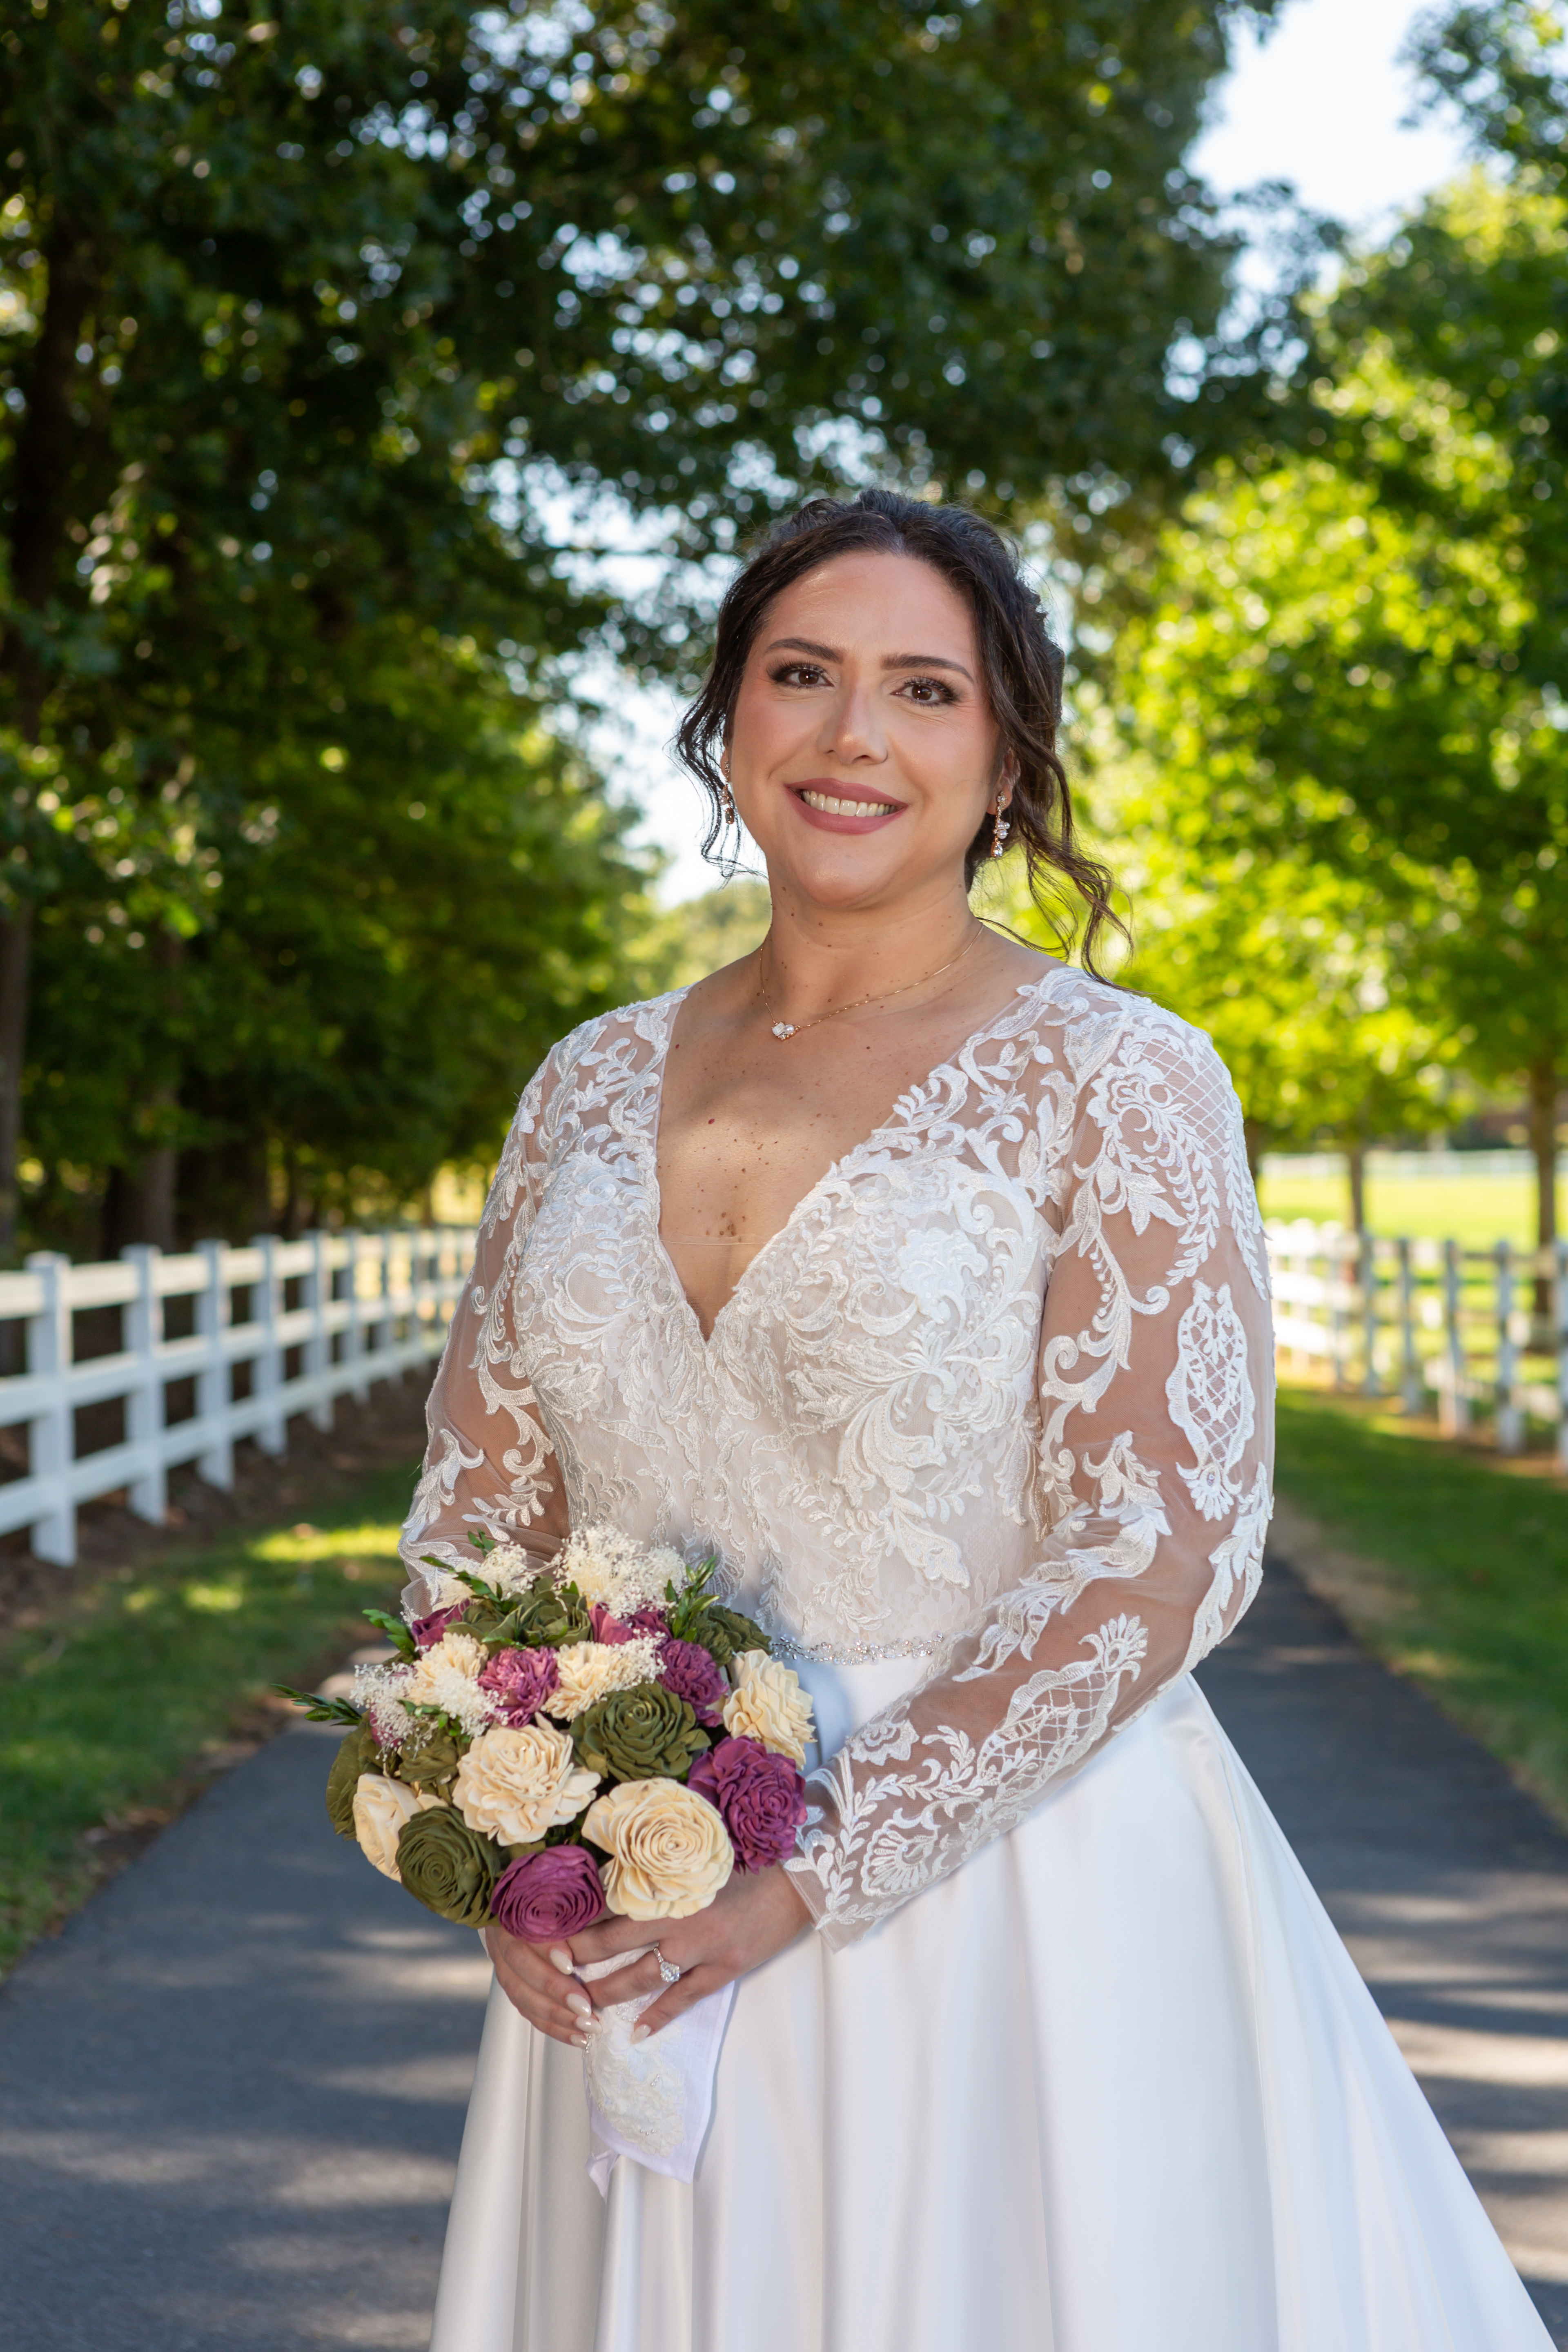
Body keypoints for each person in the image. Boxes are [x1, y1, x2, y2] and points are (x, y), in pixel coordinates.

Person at [401, 488, 1550, 2351]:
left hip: (1013, 1912)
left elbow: (1166, 1548)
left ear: (1005, 758)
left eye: (925, 690)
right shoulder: (584, 1082)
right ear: (728, 721)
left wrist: (824, 1865)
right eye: (805, 675)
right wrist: (500, 1840)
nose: (857, 735)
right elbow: (479, 1515)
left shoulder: (1120, 1076)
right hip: (629, 1902)